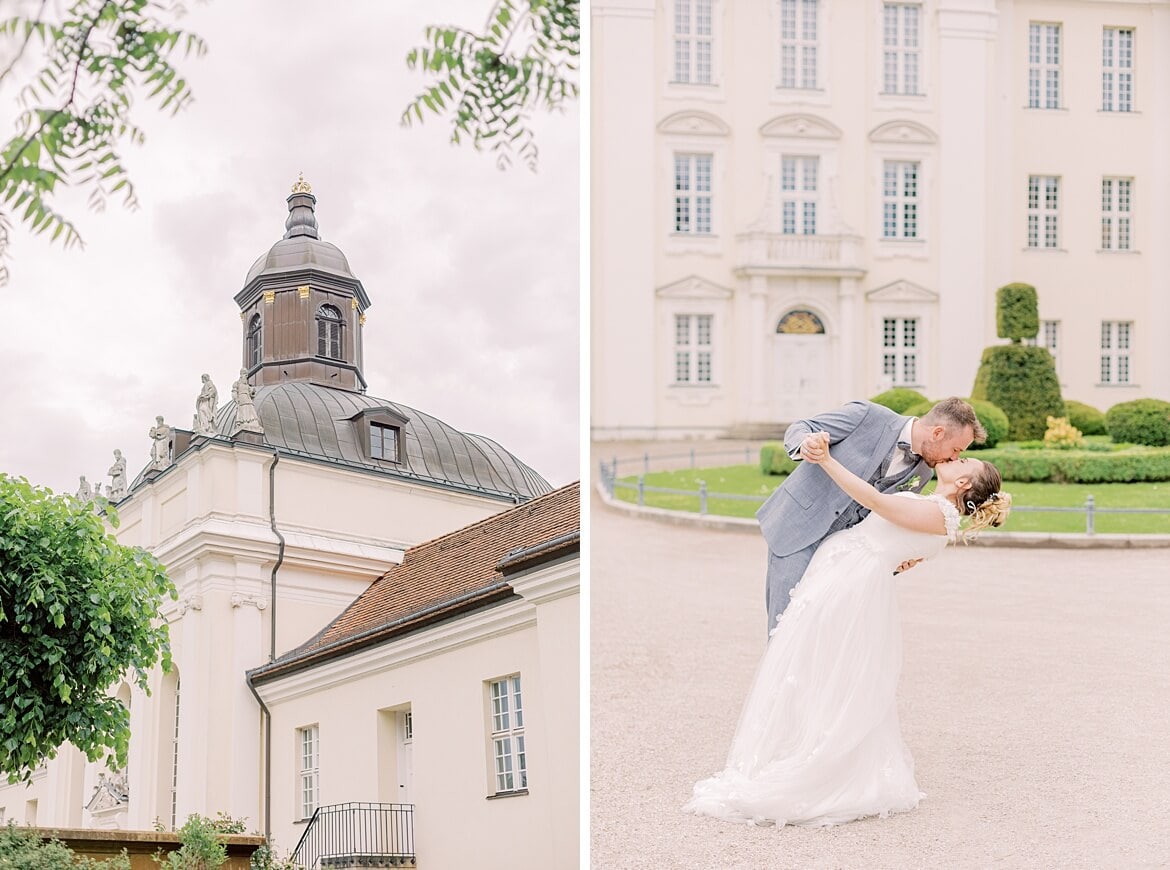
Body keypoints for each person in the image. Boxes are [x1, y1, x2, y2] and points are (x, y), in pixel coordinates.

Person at [684, 433, 1011, 827]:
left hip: (849, 584)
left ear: (963, 485)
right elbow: (901, 548)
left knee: (821, 667)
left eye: (964, 464)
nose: (958, 459)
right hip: (843, 573)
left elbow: (875, 502)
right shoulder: (935, 509)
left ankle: (816, 764)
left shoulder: (941, 516)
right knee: (811, 665)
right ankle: (797, 747)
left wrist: (826, 460)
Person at [757, 397, 985, 633]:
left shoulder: (922, 473)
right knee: (784, 628)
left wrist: (898, 560)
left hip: (839, 561)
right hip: (798, 529)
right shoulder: (868, 415)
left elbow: (887, 521)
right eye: (956, 449)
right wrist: (806, 443)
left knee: (819, 633)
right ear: (937, 433)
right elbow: (803, 427)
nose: (954, 458)